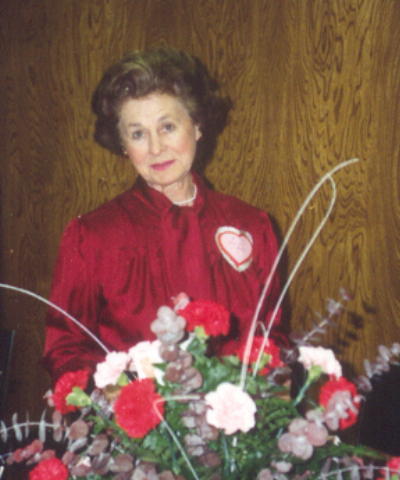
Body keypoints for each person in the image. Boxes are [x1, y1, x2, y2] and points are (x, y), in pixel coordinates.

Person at [43, 47, 284, 381]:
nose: (156, 148)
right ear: (123, 145)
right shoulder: (92, 236)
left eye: (167, 127)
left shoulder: (252, 225)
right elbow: (66, 348)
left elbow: (272, 338)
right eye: (138, 134)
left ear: (197, 126)